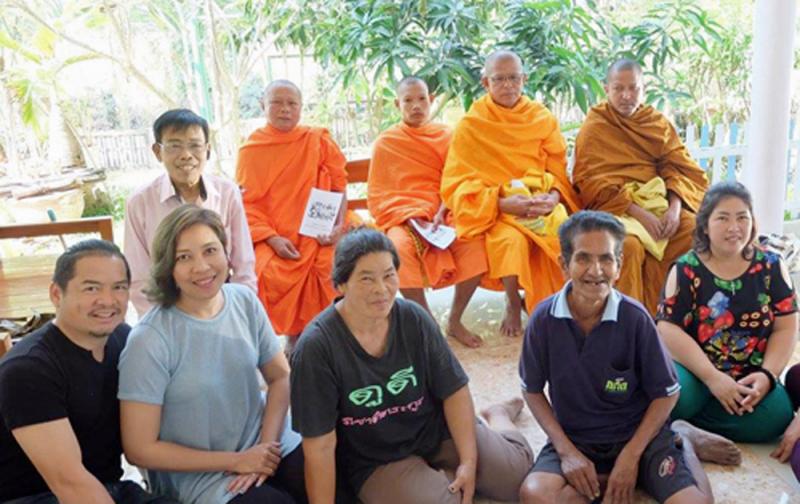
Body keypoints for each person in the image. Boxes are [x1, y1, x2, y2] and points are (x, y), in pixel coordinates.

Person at [290, 227, 534, 504]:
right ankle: (434, 479)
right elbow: (319, 446)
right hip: (377, 459)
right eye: (366, 279)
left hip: (435, 431)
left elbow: (453, 390)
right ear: (341, 284)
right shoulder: (316, 348)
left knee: (518, 478)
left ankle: (497, 415)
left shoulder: (413, 318)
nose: (381, 290)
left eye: (388, 275)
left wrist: (468, 461)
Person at [519, 211, 715, 504]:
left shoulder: (635, 319)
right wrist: (566, 452)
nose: (595, 270)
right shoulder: (544, 319)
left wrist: (631, 457)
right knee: (535, 495)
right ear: (564, 265)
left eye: (606, 259)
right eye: (583, 258)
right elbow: (531, 389)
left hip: (642, 440)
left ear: (619, 266)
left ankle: (683, 441)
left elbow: (667, 395)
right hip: (578, 439)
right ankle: (618, 481)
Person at [118, 205, 305, 504]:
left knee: (329, 475)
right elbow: (140, 449)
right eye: (184, 257)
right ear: (168, 267)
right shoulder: (150, 340)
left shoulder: (243, 300)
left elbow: (281, 376)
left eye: (210, 250)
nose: (202, 267)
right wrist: (236, 461)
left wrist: (266, 450)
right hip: (204, 473)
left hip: (265, 440)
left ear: (226, 252)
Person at [0, 239, 177, 503]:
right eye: (91, 288)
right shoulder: (28, 371)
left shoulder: (123, 339)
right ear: (56, 294)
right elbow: (70, 484)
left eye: (118, 288)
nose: (107, 300)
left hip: (109, 488)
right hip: (38, 496)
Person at [441, 50, 580, 338]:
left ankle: (556, 305)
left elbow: (557, 167)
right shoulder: (472, 124)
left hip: (539, 201)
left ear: (524, 79)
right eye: (499, 79)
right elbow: (458, 182)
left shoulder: (541, 117)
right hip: (496, 209)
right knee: (510, 240)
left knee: (563, 231)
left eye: (513, 78)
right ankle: (513, 303)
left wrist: (553, 197)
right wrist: (501, 202)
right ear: (485, 83)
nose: (507, 86)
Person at [657, 181, 798, 448]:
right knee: (673, 393)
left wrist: (767, 376)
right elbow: (667, 329)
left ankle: (687, 428)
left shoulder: (771, 266)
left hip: (749, 372)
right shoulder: (686, 268)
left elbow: (786, 328)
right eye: (723, 218)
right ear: (705, 225)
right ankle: (690, 422)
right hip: (696, 372)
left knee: (777, 415)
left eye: (742, 217)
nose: (734, 228)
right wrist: (713, 379)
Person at [572, 58, 708, 315]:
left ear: (643, 89)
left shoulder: (655, 122)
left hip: (659, 204)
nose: (626, 96)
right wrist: (637, 213)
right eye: (618, 88)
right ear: (606, 89)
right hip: (615, 208)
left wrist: (674, 210)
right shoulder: (596, 126)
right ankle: (630, 319)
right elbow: (589, 183)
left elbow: (679, 168)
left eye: (633, 88)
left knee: (695, 231)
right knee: (629, 246)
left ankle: (679, 312)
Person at [367, 76, 488, 348]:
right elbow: (378, 194)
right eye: (408, 100)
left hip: (444, 212)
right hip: (403, 216)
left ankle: (455, 320)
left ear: (431, 100)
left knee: (475, 244)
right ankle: (428, 324)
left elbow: (461, 179)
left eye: (421, 98)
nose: (416, 106)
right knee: (397, 248)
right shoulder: (387, 142)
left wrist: (443, 206)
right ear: (398, 104)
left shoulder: (448, 136)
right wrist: (410, 214)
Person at [237, 80, 351, 339]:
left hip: (322, 227)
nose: (285, 109)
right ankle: (295, 333)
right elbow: (247, 204)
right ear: (262, 105)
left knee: (333, 262)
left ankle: (334, 335)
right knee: (266, 272)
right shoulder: (252, 149)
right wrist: (272, 239)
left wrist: (338, 225)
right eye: (277, 102)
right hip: (274, 232)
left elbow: (338, 187)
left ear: (301, 108)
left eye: (292, 104)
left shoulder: (318, 140)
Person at [124, 108, 257, 317]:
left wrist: (242, 313)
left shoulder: (227, 192)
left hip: (223, 306)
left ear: (208, 150)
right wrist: (161, 325)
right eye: (174, 146)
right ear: (157, 152)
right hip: (168, 311)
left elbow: (244, 264)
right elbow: (139, 278)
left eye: (195, 145)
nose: (186, 155)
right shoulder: (140, 202)